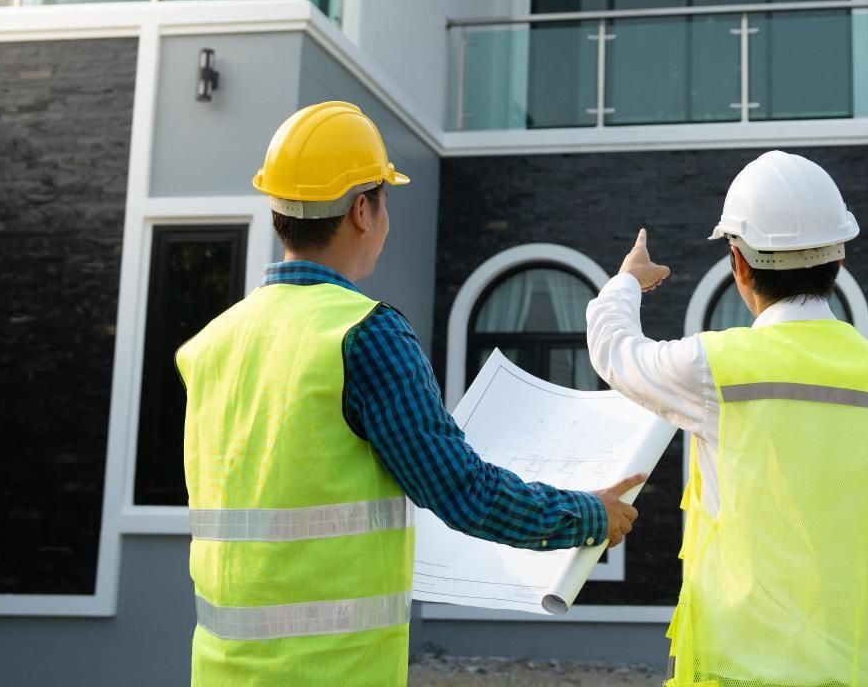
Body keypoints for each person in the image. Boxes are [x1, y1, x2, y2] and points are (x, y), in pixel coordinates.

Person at [177, 101, 645, 686]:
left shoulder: (211, 343)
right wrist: (588, 515)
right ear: (362, 210)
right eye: (385, 199)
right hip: (333, 675)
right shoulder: (364, 334)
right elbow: (464, 492)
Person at [587, 150, 868, 686]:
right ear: (839, 259)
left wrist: (628, 282)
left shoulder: (715, 368)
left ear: (740, 263)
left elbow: (613, 349)